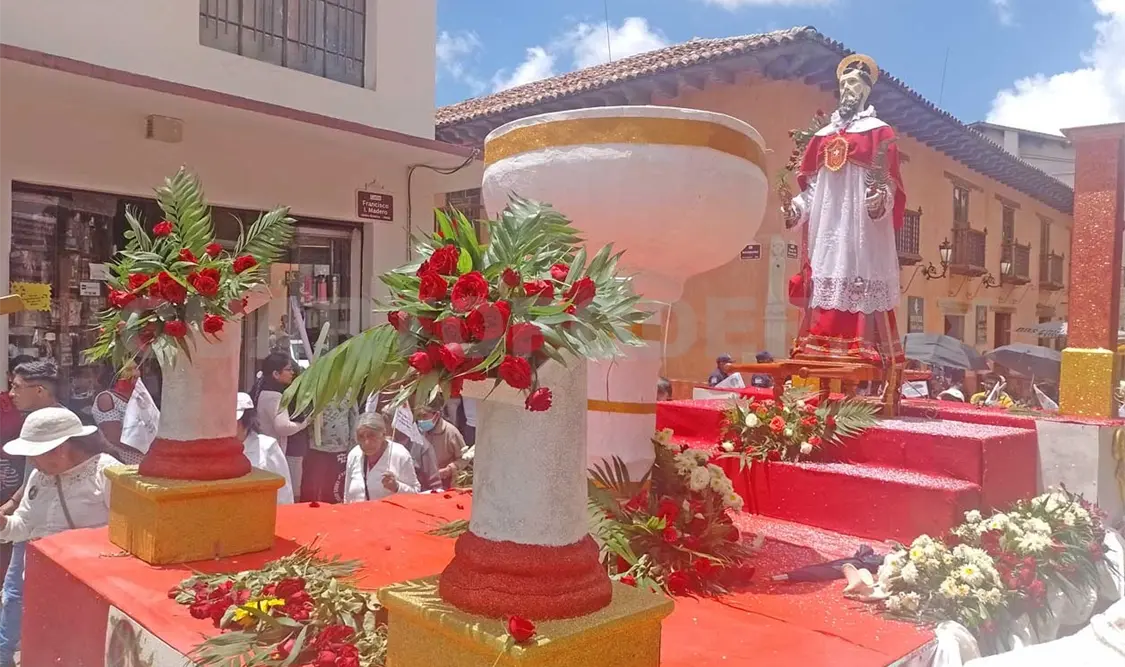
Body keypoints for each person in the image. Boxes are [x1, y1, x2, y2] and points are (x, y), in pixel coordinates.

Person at [784, 54, 907, 368]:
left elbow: (889, 183)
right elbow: (812, 191)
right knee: (827, 278)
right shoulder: (822, 136)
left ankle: (862, 358)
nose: (848, 89)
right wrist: (795, 209)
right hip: (828, 233)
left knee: (857, 276)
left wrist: (879, 199)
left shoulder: (879, 131)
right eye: (843, 83)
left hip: (860, 230)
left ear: (866, 89)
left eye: (854, 83)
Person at [0, 407, 120, 666]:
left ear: (61, 448)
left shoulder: (107, 473)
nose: (33, 463)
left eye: (37, 455)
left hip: (91, 588)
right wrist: (4, 525)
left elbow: (125, 532)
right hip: (41, 584)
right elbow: (25, 525)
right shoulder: (38, 477)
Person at [253, 353, 308, 499]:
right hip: (275, 452)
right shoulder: (274, 396)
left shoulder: (262, 391)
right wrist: (305, 423)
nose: (292, 373)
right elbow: (283, 427)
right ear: (276, 374)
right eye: (288, 369)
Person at [344, 412, 420, 502]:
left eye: (372, 436)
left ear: (383, 434)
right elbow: (347, 496)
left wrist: (397, 487)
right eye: (361, 437)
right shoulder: (354, 454)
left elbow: (416, 492)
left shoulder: (400, 455)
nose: (366, 442)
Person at [235, 393, 293, 504]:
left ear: (247, 422)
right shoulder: (220, 450)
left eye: (235, 422)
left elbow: (284, 490)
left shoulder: (267, 446)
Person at [302, 399, 356, 504]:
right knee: (313, 487)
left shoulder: (349, 390)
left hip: (341, 447)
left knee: (336, 487)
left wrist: (352, 444)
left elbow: (354, 415)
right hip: (315, 447)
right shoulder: (314, 391)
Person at [91, 361, 145, 465]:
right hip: (123, 463)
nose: (136, 373)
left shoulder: (139, 397)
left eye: (137, 368)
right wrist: (146, 448)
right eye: (130, 369)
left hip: (147, 460)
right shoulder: (107, 399)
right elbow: (115, 438)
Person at [417, 401, 466, 491]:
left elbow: (465, 459)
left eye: (424, 416)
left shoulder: (451, 433)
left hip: (445, 485)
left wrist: (449, 470)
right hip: (423, 484)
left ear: (437, 415)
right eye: (419, 416)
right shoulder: (418, 431)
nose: (421, 420)